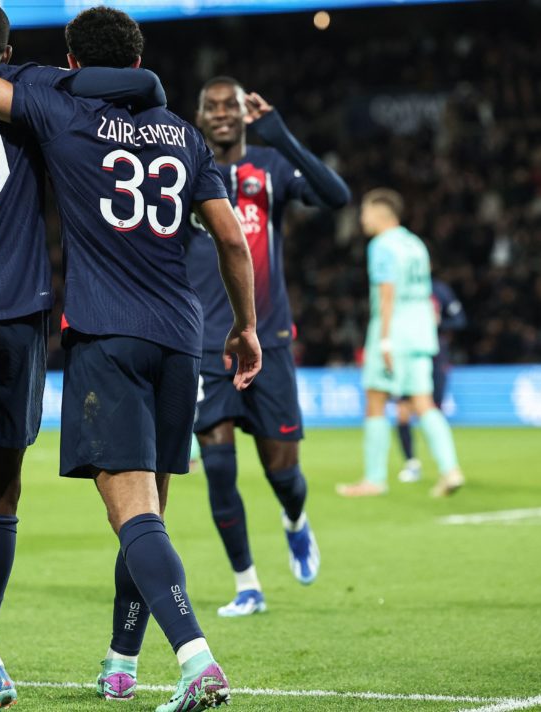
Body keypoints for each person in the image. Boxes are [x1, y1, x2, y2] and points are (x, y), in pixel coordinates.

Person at [0, 7, 261, 710]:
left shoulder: (63, 111)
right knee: (148, 513)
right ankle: (122, 658)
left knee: (134, 517)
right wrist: (243, 327)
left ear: (70, 61)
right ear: (139, 55)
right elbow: (233, 242)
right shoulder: (184, 135)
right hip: (181, 336)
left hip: (107, 335)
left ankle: (197, 659)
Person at [186, 76, 350, 617]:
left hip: (270, 339)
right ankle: (247, 583)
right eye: (210, 107)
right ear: (201, 115)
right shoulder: (183, 167)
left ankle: (296, 522)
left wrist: (280, 135)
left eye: (229, 106)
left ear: (243, 112)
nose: (220, 114)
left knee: (284, 475)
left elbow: (335, 195)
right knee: (219, 467)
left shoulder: (271, 169)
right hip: (208, 345)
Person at [338, 188, 464, 498]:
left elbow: (387, 293)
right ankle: (450, 469)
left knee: (376, 400)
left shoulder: (382, 245)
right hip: (422, 332)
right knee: (424, 401)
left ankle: (374, 479)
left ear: (381, 214)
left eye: (365, 212)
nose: (362, 219)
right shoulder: (415, 244)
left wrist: (383, 342)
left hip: (394, 331)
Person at [395, 278, 466, 483]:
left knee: (433, 409)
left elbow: (460, 320)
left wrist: (438, 322)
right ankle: (411, 464)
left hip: (436, 355)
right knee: (403, 411)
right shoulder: (402, 289)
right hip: (408, 354)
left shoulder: (440, 290)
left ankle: (446, 467)